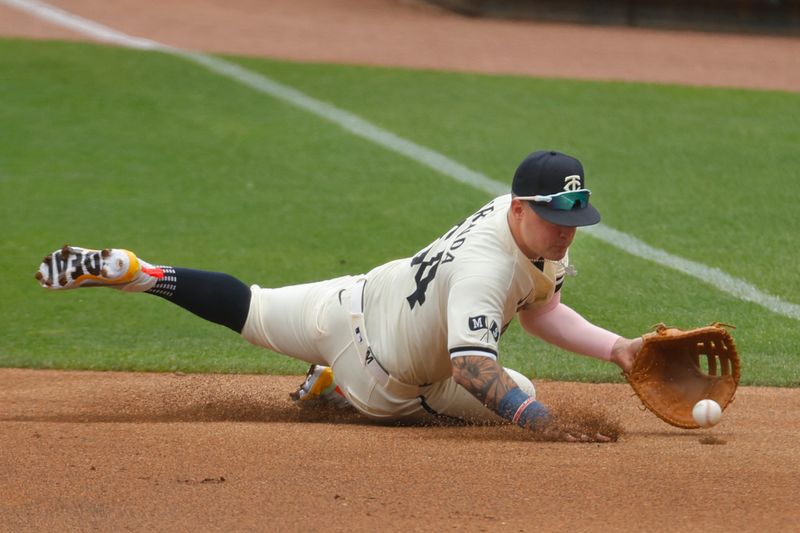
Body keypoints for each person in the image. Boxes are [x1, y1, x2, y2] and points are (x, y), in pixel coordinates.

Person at [35, 150, 643, 441]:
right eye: (555, 220)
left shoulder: (515, 221)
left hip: (351, 300)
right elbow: (473, 367)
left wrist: (620, 349)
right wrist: (544, 423)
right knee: (522, 390)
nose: (567, 232)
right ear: (520, 209)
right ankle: (341, 390)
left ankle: (142, 272)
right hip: (388, 384)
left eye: (574, 219)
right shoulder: (489, 269)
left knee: (249, 306)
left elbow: (545, 311)